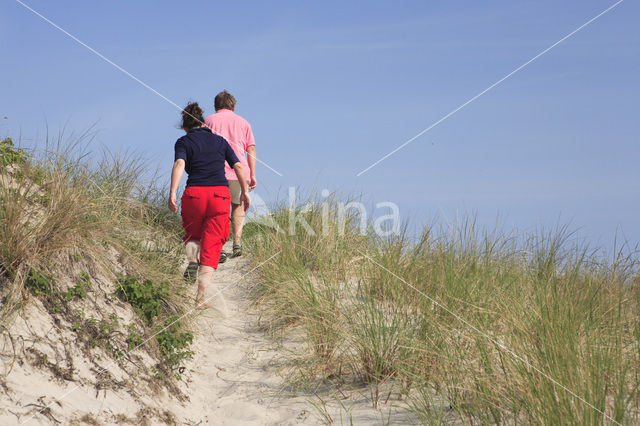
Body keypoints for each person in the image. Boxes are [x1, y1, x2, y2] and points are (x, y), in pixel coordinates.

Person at [168, 102, 250, 314]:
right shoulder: (220, 141)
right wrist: (245, 192)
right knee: (213, 245)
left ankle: (193, 260)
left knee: (193, 235)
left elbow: (179, 165)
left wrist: (172, 192)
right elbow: (238, 166)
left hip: (194, 194)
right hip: (219, 196)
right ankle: (200, 297)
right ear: (204, 123)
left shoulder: (183, 141)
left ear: (185, 126)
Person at [204, 90, 257, 260]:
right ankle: (237, 243)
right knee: (238, 206)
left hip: (214, 172)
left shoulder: (207, 122)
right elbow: (251, 149)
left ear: (215, 106)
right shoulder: (243, 123)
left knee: (216, 210)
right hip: (238, 171)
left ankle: (218, 247)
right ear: (234, 106)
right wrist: (253, 174)